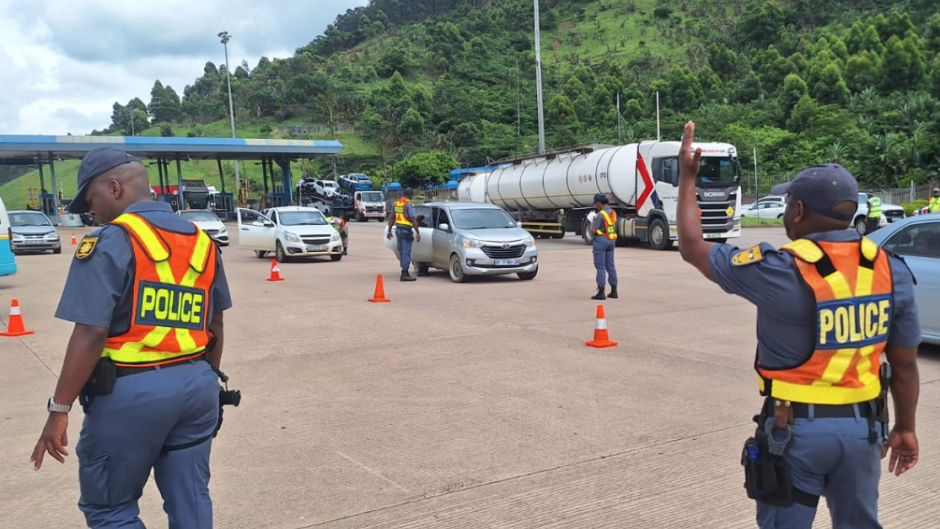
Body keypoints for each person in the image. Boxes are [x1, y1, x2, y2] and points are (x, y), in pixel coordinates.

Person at [675, 121, 920, 529]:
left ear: (799, 210)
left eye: (788, 204)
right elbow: (906, 366)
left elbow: (691, 245)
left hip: (794, 434)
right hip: (863, 434)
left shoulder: (778, 269)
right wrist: (906, 428)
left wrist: (687, 179)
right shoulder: (891, 270)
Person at [30, 147, 233, 529]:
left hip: (131, 394)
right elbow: (215, 323)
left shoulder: (109, 241)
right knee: (190, 501)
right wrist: (206, 381)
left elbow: (91, 332)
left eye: (92, 198)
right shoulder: (201, 242)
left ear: (115, 187)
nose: (90, 210)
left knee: (110, 509)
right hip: (198, 388)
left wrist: (59, 410)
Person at [386, 187, 420, 282]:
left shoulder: (396, 203)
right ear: (410, 195)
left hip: (398, 229)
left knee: (401, 251)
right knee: (406, 252)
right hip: (406, 230)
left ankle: (404, 270)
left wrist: (389, 230)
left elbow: (392, 218)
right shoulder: (409, 204)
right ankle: (405, 273)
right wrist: (417, 232)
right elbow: (413, 219)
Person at [590, 193, 618, 300]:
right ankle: (614, 291)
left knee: (600, 266)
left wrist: (592, 224)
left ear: (598, 203)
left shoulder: (599, 215)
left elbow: (592, 231)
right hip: (611, 240)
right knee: (610, 266)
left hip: (601, 241)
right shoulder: (613, 213)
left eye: (596, 204)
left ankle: (601, 292)